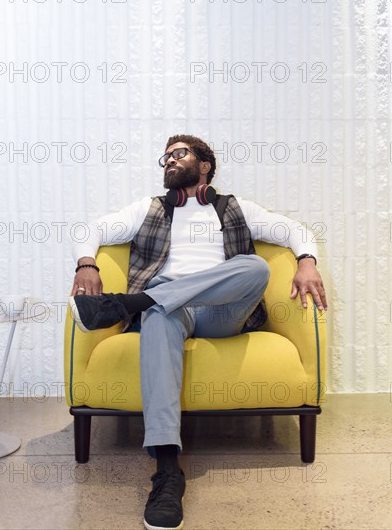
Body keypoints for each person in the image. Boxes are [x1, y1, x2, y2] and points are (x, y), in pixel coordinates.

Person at [69, 134, 327, 530]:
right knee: (159, 310)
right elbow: (96, 228)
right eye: (166, 157)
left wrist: (307, 260)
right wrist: (87, 263)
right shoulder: (149, 209)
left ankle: (126, 305)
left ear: (204, 164)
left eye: (179, 154)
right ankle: (167, 472)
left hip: (222, 311)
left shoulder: (234, 208)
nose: (170, 161)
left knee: (254, 268)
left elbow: (294, 230)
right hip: (172, 312)